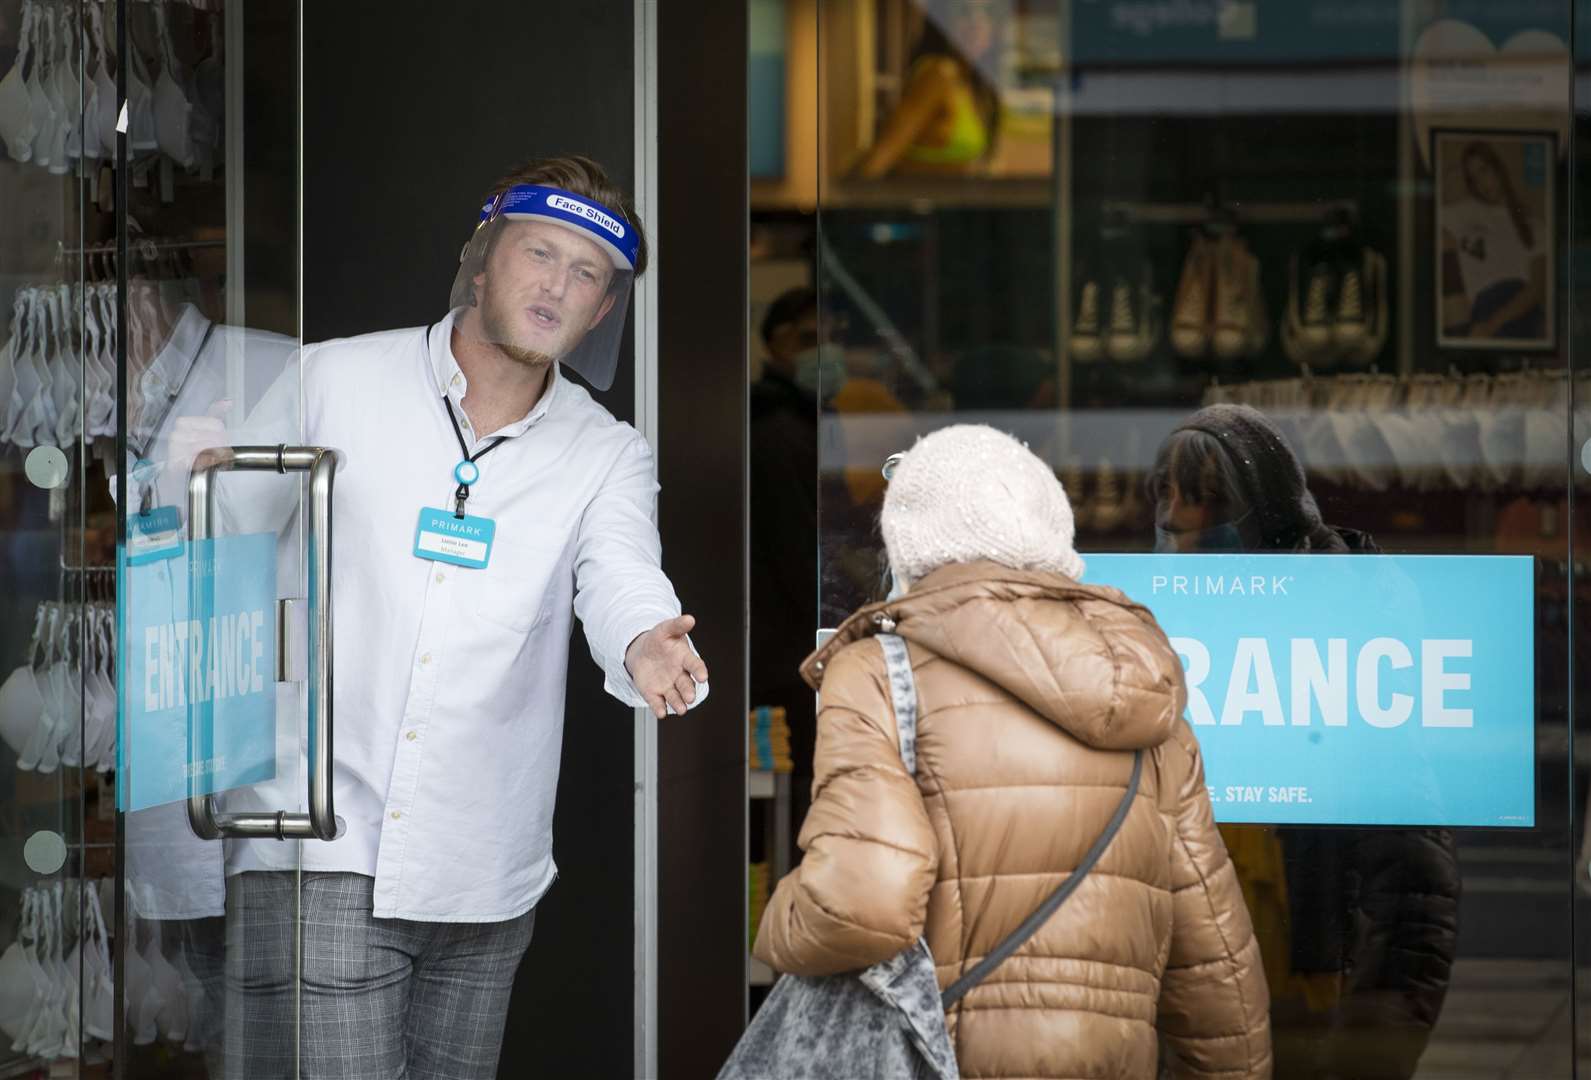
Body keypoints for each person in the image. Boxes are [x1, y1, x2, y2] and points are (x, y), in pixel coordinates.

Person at [162, 155, 710, 1078]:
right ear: (485, 258)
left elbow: (619, 568)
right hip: (320, 839)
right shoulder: (333, 378)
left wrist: (643, 637)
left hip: (482, 867)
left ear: (603, 311)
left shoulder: (604, 450)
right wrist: (196, 481)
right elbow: (221, 544)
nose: (556, 286)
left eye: (585, 275)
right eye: (540, 254)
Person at [753, 424, 1272, 1079]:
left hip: (944, 1054)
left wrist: (775, 927)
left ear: (910, 547)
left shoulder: (877, 672)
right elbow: (1214, 954)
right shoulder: (1141, 682)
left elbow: (863, 904)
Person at [1149, 404, 1461, 1080]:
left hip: (1300, 1017)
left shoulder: (1343, 652)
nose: (1172, 516)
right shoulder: (1154, 648)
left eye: (1200, 498)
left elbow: (1411, 898)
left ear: (1256, 508)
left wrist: (1363, 1060)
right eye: (1164, 493)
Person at [855, 0, 1001, 179]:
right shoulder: (938, 74)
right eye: (964, 13)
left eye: (985, 14)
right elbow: (879, 159)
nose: (976, 23)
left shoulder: (969, 82)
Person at [1440, 140, 1548, 343]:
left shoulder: (1533, 225)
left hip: (1518, 309)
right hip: (1482, 309)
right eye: (1473, 179)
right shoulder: (1465, 212)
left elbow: (1537, 287)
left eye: (1484, 170)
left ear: (1498, 168)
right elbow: (1430, 215)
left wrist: (1491, 325)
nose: (1481, 183)